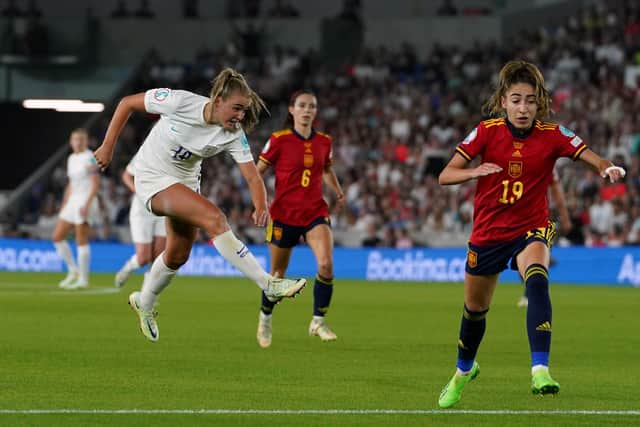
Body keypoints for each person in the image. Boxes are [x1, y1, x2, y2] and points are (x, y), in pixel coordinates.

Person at [436, 60, 626, 408]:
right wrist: (475, 170)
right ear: (503, 101)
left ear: (539, 103)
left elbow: (586, 153)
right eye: (516, 100)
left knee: (537, 279)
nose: (523, 108)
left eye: (530, 100)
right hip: (489, 233)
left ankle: (540, 369)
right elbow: (445, 175)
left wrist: (605, 166)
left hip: (531, 227)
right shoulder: (486, 131)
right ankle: (463, 371)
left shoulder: (552, 133)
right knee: (475, 310)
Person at [94, 68, 307, 342]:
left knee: (177, 255)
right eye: (237, 108)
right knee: (215, 219)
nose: (241, 116)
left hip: (186, 183)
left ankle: (144, 301)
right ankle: (268, 284)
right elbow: (127, 103)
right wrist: (108, 147)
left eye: (244, 110)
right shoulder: (179, 101)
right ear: (218, 100)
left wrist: (261, 204)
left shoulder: (232, 133)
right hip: (152, 177)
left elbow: (252, 175)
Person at [255, 90, 345, 348]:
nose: (307, 110)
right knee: (277, 275)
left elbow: (326, 168)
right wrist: (260, 202)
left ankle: (318, 321)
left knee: (326, 265)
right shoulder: (278, 140)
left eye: (312, 106)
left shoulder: (324, 142)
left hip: (315, 212)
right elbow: (256, 173)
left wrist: (336, 189)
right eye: (302, 106)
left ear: (315, 112)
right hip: (283, 216)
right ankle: (265, 318)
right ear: (292, 110)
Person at [53, 128, 100, 290]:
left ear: (86, 141)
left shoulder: (90, 158)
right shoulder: (71, 158)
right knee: (57, 237)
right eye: (75, 139)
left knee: (81, 239)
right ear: (71, 142)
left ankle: (83, 279)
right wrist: (65, 203)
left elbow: (95, 184)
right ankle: (73, 270)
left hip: (85, 199)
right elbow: (71, 184)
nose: (78, 142)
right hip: (73, 200)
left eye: (81, 139)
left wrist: (87, 205)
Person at [516, 169, 571, 308]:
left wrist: (564, 217)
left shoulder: (547, 167)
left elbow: (557, 195)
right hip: (521, 218)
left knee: (535, 257)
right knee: (522, 259)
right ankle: (532, 289)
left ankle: (530, 295)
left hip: (541, 219)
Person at [114, 153, 166, 288]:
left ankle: (145, 297)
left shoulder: (177, 154)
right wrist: (139, 192)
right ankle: (128, 268)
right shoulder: (146, 151)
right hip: (142, 210)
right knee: (143, 258)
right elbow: (126, 175)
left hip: (163, 209)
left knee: (157, 260)